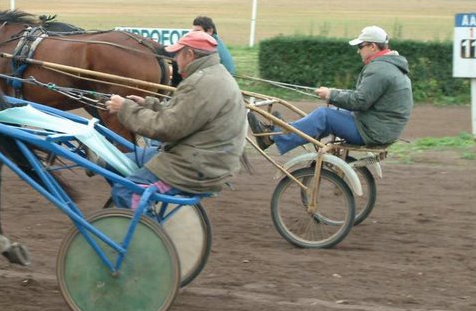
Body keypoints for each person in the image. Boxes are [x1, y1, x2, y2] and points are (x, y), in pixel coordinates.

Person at [105, 29, 247, 208]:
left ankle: (147, 231)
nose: (174, 59)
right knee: (114, 163)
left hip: (194, 167)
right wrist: (148, 105)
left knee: (125, 191)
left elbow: (165, 128)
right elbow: (184, 115)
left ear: (189, 54)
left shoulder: (199, 84)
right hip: (204, 158)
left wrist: (125, 108)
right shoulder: (215, 74)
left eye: (177, 54)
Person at [248, 25, 413, 155]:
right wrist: (333, 93)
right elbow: (363, 96)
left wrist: (331, 94)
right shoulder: (389, 65)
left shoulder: (379, 69)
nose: (358, 50)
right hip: (380, 128)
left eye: (361, 46)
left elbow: (360, 101)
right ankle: (284, 130)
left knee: (324, 115)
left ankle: (273, 137)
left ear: (372, 46)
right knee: (332, 112)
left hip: (373, 131)